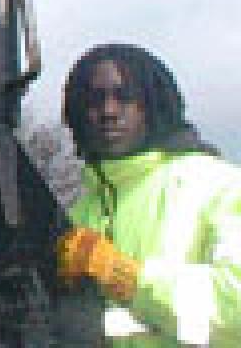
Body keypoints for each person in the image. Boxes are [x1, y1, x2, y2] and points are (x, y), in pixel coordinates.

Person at [55, 43, 241, 346]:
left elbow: (236, 308)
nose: (108, 111)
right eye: (94, 99)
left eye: (124, 96)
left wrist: (128, 279)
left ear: (152, 105)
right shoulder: (80, 214)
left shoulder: (218, 186)